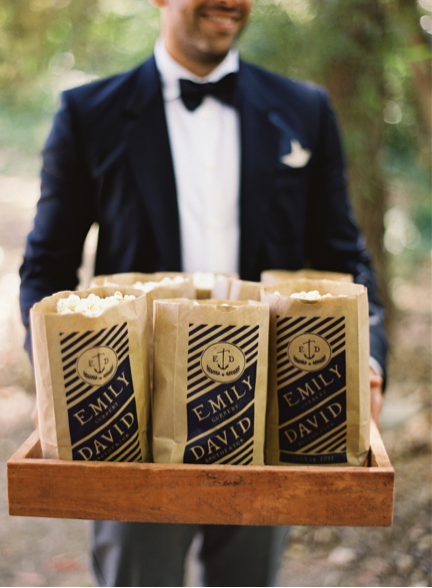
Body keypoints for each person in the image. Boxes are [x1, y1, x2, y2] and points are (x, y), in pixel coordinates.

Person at [19, 0, 386, 585]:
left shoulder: (304, 109)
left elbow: (346, 260)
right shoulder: (89, 113)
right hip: (128, 427)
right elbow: (47, 266)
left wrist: (366, 359)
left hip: (272, 421)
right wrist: (52, 378)